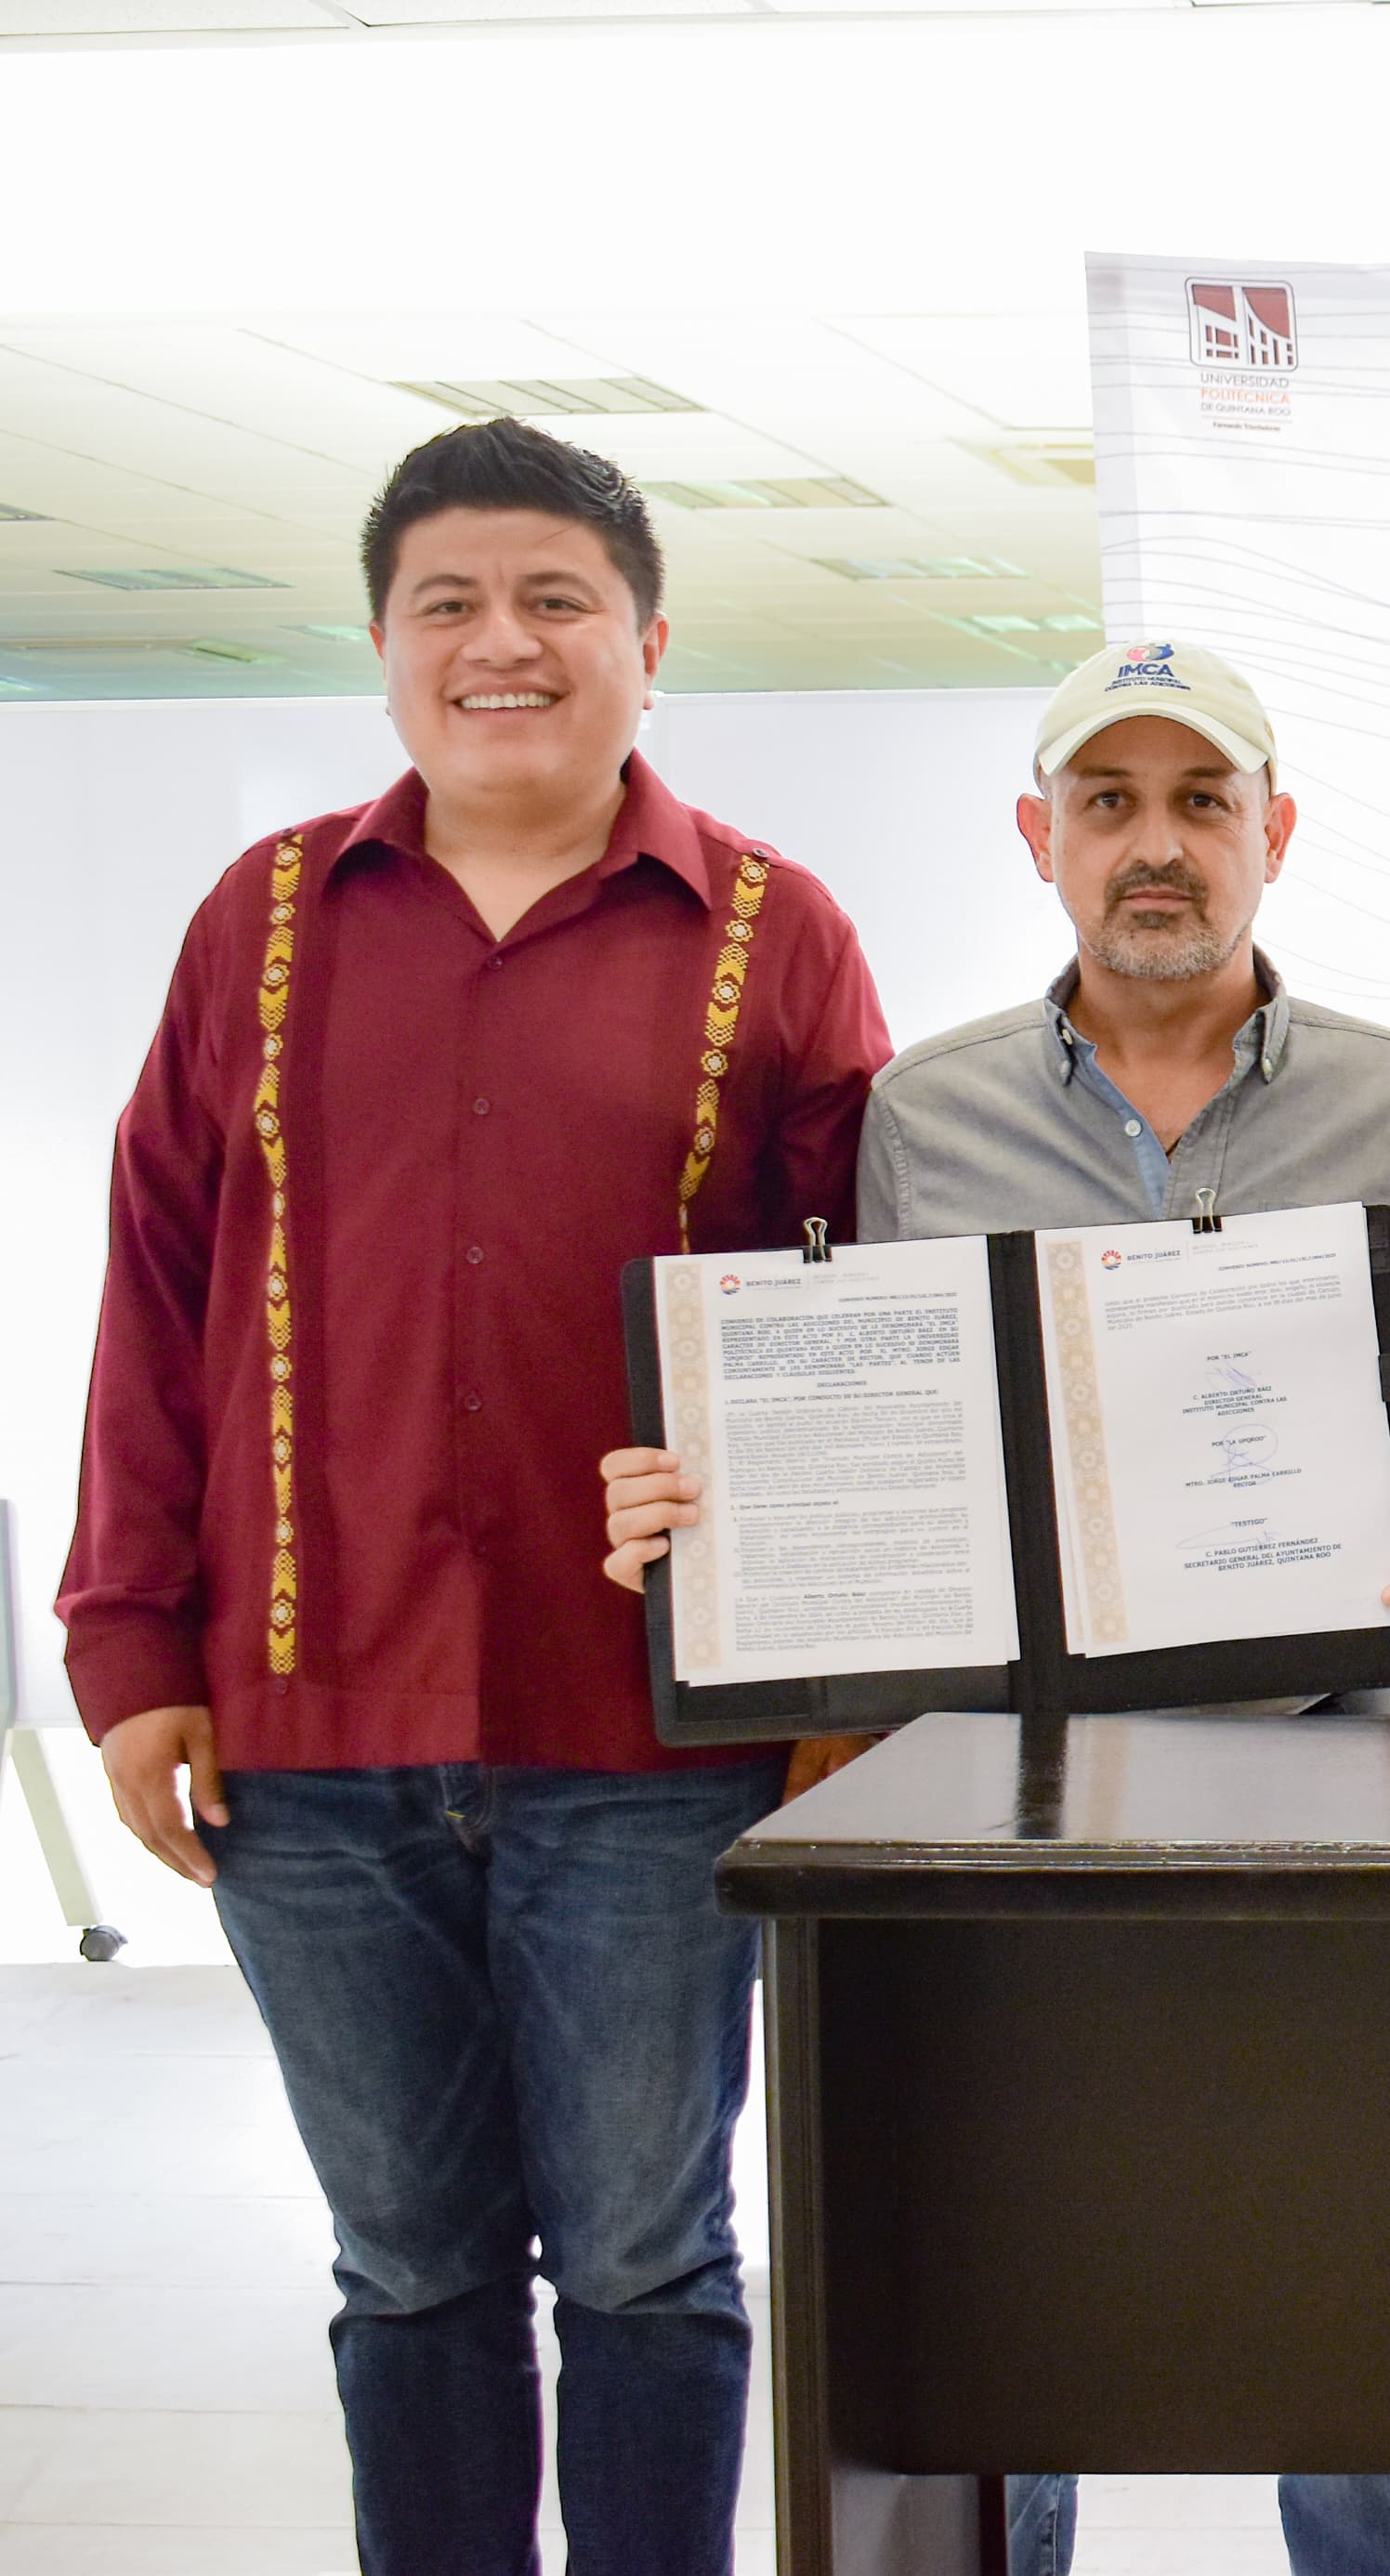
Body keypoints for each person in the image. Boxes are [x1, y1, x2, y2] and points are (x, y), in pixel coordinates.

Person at [62, 419, 891, 2576]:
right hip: (305, 1733)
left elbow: (861, 1328)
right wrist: (129, 1645)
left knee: (646, 2260)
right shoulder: (259, 923)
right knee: (407, 2269)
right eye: (448, 602)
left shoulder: (775, 934)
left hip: (654, 1745)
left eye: (553, 600)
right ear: (383, 643)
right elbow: (156, 1284)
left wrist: (842, 1671)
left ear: (647, 643)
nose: (499, 642)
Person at [599, 637, 1390, 2576]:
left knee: (1346, 2254)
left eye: (1200, 801)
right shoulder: (926, 1114)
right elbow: (870, 1413)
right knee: (1019, 2264)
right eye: (1108, 803)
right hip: (1023, 1793)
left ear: (1274, 832)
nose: (1155, 843)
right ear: (1040, 835)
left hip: (1322, 1771)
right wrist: (710, 1496)